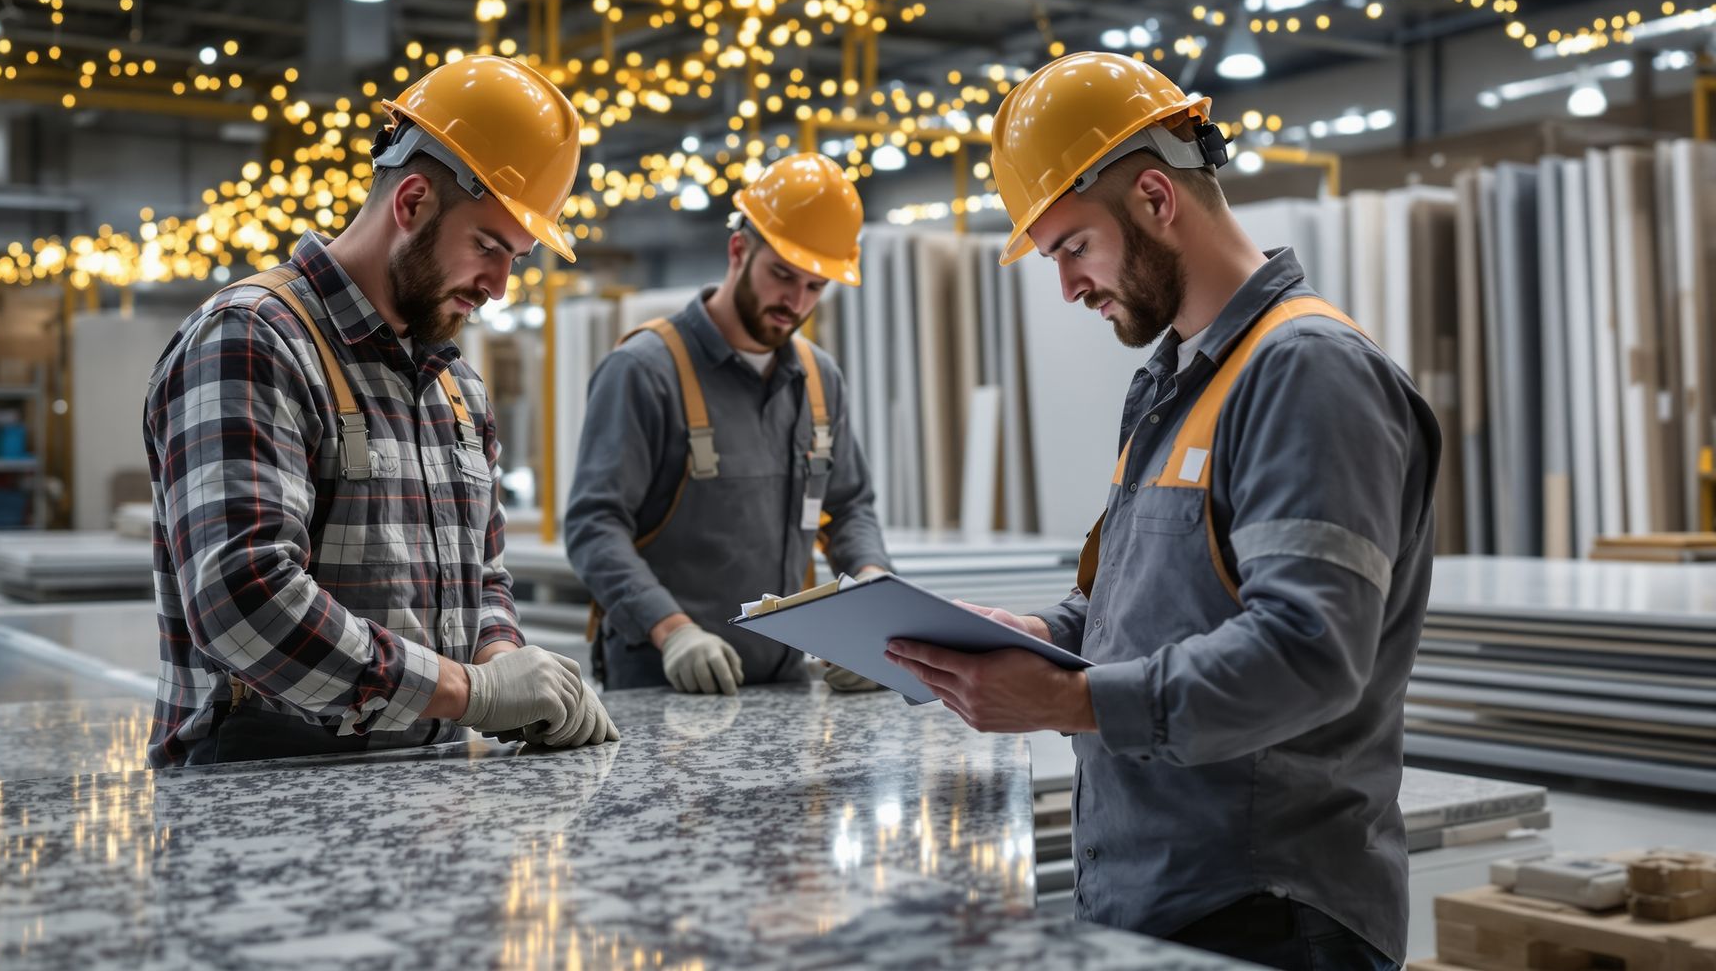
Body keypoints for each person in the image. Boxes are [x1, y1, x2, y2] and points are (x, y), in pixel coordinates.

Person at [885, 52, 1441, 971]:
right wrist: (1036, 632)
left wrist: (1067, 698)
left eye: (1072, 248)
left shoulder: (1308, 371)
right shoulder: (1174, 383)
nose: (1067, 287)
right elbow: (1161, 598)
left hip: (1269, 908)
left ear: (1154, 197)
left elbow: (1310, 654)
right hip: (1162, 888)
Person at [145, 55, 617, 766]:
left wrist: (506, 662)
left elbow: (480, 577)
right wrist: (470, 691)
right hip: (261, 795)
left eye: (515, 256)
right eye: (488, 246)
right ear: (413, 202)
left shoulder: (456, 389)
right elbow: (242, 600)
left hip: (427, 790)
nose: (499, 284)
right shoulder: (253, 340)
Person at [566, 153, 893, 694]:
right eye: (783, 275)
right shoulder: (645, 372)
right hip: (661, 683)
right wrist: (673, 633)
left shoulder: (819, 379)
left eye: (816, 286)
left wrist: (872, 600)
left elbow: (850, 506)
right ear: (739, 250)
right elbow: (594, 526)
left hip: (783, 681)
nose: (796, 301)